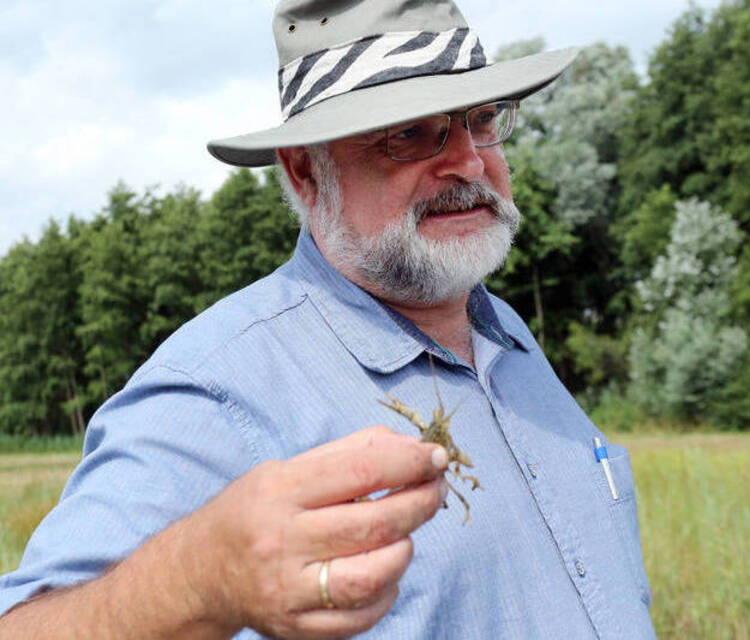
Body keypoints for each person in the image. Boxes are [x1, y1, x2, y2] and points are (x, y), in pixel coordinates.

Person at [0, 0, 656, 637]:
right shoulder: (215, 389)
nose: (469, 161)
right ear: (305, 168)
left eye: (481, 119)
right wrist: (203, 576)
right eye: (408, 132)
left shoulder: (505, 330)